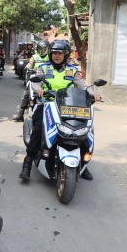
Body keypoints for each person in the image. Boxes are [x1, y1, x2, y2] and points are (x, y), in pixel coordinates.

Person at [19, 40, 101, 181]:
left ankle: (83, 164)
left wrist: (93, 93)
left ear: (66, 54)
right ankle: (28, 161)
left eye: (60, 53)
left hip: (68, 106)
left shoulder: (72, 70)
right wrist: (38, 89)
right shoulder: (43, 68)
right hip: (47, 104)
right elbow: (35, 82)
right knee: (38, 129)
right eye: (54, 53)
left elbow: (82, 85)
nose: (57, 56)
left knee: (83, 129)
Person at [13, 40, 50, 122]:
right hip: (34, 78)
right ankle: (20, 114)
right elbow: (30, 64)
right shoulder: (35, 57)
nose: (43, 51)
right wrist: (27, 68)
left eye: (44, 49)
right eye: (41, 49)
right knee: (26, 94)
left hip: (46, 79)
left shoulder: (50, 57)